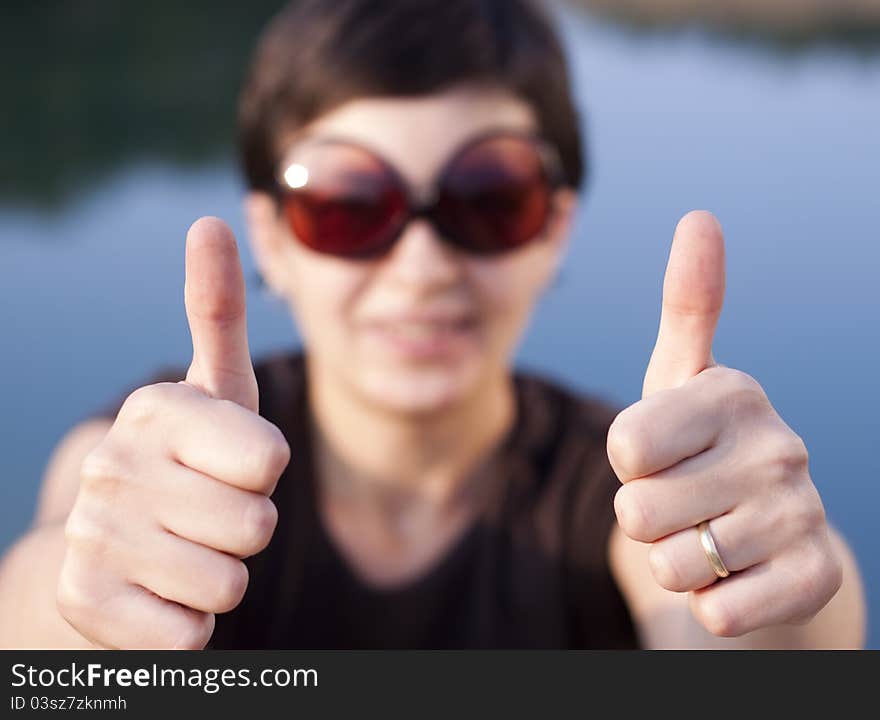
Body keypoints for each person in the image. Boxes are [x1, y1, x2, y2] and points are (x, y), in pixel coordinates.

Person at [0, 0, 866, 649]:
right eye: (347, 204)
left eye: (488, 199)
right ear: (271, 234)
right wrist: (87, 595)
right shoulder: (171, 464)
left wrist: (764, 597)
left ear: (554, 226)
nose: (421, 266)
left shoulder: (637, 485)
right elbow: (48, 587)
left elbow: (748, 643)